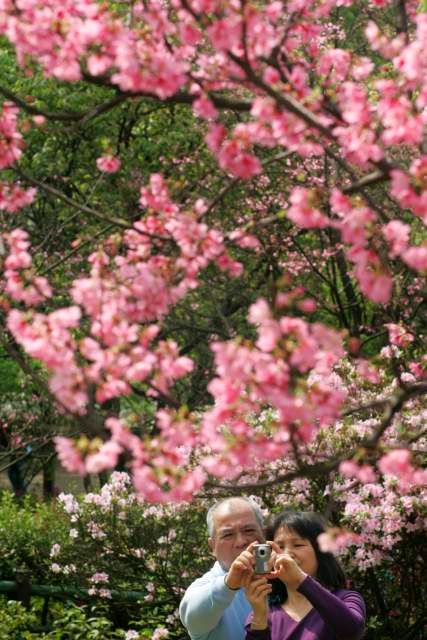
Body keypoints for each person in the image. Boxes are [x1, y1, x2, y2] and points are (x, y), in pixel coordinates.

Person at [244, 510, 366, 640]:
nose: (287, 554)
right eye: (279, 546)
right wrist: (260, 616)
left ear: (320, 553)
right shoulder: (265, 614)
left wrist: (301, 580)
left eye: (297, 545)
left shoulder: (346, 599)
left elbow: (352, 631)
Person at [179, 496, 266, 640]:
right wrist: (228, 584)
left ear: (263, 533)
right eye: (228, 535)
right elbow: (192, 618)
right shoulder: (205, 588)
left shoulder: (283, 576)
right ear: (212, 546)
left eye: (249, 530)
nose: (241, 542)